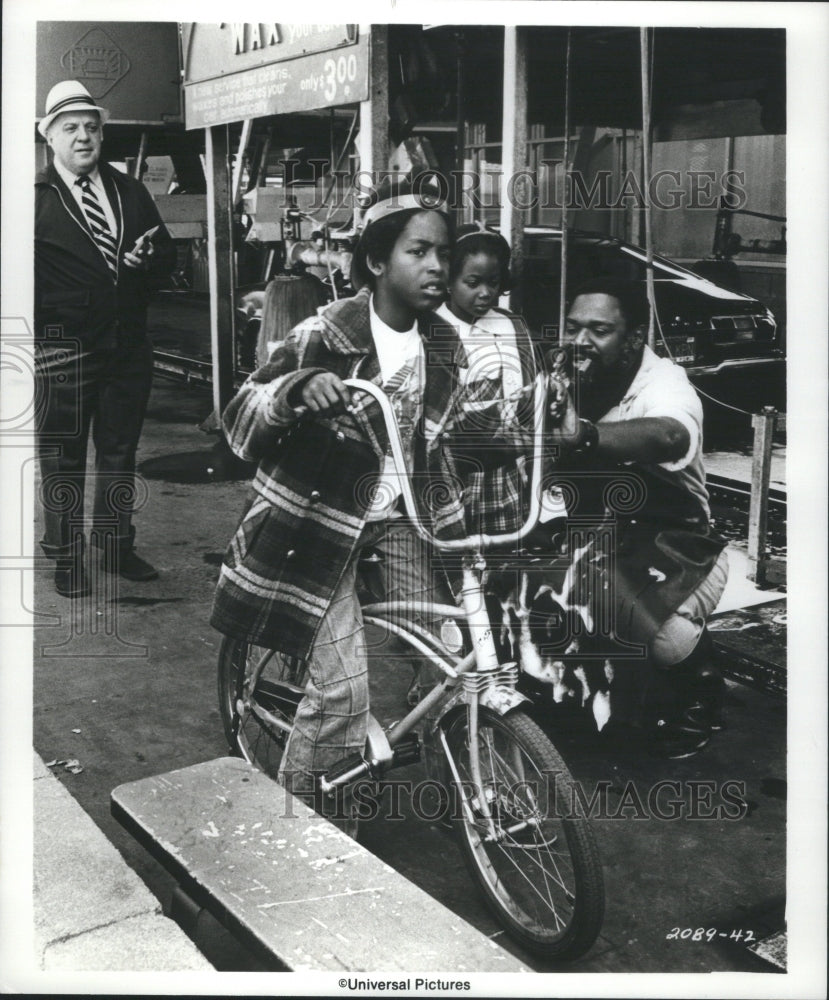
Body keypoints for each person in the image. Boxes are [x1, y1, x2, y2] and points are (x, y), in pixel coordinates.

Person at [211, 179, 519, 828]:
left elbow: (458, 432)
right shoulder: (328, 331)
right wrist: (298, 388)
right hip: (318, 528)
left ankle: (452, 788)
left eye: (441, 252)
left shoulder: (442, 345)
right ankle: (300, 836)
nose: (436, 266)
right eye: (418, 252)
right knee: (341, 693)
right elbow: (240, 418)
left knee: (452, 651)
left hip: (402, 520)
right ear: (377, 261)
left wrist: (536, 430)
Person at [546, 276, 730, 756]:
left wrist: (583, 435)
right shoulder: (561, 376)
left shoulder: (664, 381)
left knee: (650, 627)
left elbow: (670, 436)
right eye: (573, 327)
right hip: (600, 543)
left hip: (680, 548)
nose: (581, 341)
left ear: (633, 338)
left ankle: (700, 683)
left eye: (600, 330)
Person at [35, 80, 174, 597]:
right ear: (50, 138)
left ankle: (115, 545)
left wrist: (149, 260)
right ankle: (67, 558)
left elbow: (167, 259)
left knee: (119, 450)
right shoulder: (32, 200)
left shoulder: (128, 190)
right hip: (60, 351)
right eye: (70, 128)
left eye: (91, 127)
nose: (84, 137)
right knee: (63, 458)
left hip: (127, 347)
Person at [434, 223, 537, 536]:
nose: (485, 292)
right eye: (473, 282)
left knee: (501, 558)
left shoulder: (511, 325)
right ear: (449, 281)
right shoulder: (433, 326)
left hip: (504, 469)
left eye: (493, 282)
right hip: (450, 469)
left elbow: (529, 393)